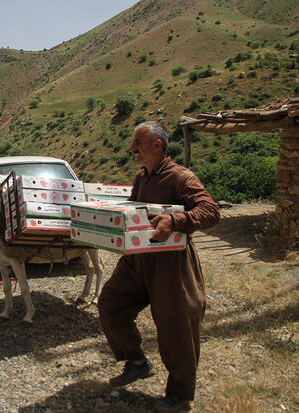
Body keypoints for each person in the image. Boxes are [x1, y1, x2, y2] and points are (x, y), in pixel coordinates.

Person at [97, 121, 220, 413]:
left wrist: (176, 221)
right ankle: (138, 363)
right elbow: (135, 210)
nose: (132, 148)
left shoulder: (181, 177)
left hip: (170, 264)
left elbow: (211, 211)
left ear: (157, 145)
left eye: (138, 142)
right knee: (111, 304)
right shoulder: (142, 177)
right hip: (138, 258)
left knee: (176, 324)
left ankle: (179, 395)